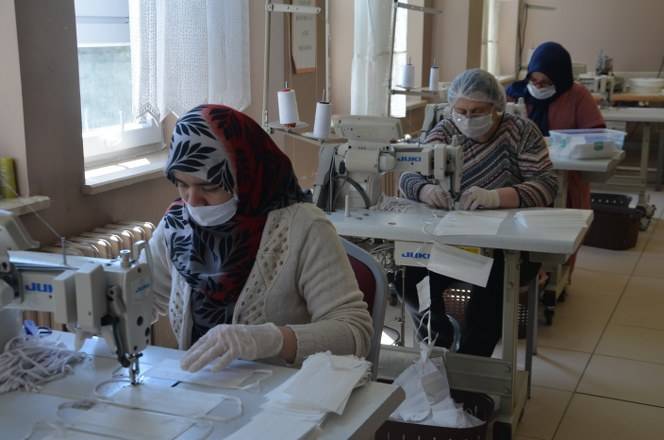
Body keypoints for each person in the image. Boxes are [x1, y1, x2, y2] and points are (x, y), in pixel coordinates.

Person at [147, 104, 373, 372]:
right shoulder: (177, 227)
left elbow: (354, 333)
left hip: (286, 397)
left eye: (210, 186)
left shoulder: (304, 228)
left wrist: (274, 339)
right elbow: (140, 296)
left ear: (244, 175)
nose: (192, 201)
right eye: (182, 184)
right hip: (203, 392)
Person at [399, 68, 558, 356]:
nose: (467, 118)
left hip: (507, 245)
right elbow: (409, 176)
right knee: (409, 278)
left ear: (497, 108)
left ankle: (470, 367)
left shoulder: (522, 132)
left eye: (477, 111)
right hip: (453, 242)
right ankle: (438, 346)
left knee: (492, 292)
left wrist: (496, 197)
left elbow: (547, 185)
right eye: (461, 110)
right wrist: (425, 190)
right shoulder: (445, 131)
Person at [506, 41, 605, 277]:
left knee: (562, 230)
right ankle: (523, 276)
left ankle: (556, 278)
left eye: (546, 83)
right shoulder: (514, 93)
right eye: (534, 81)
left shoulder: (577, 95)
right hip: (521, 176)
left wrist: (564, 143)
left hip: (565, 178)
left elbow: (597, 135)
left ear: (560, 79)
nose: (538, 87)